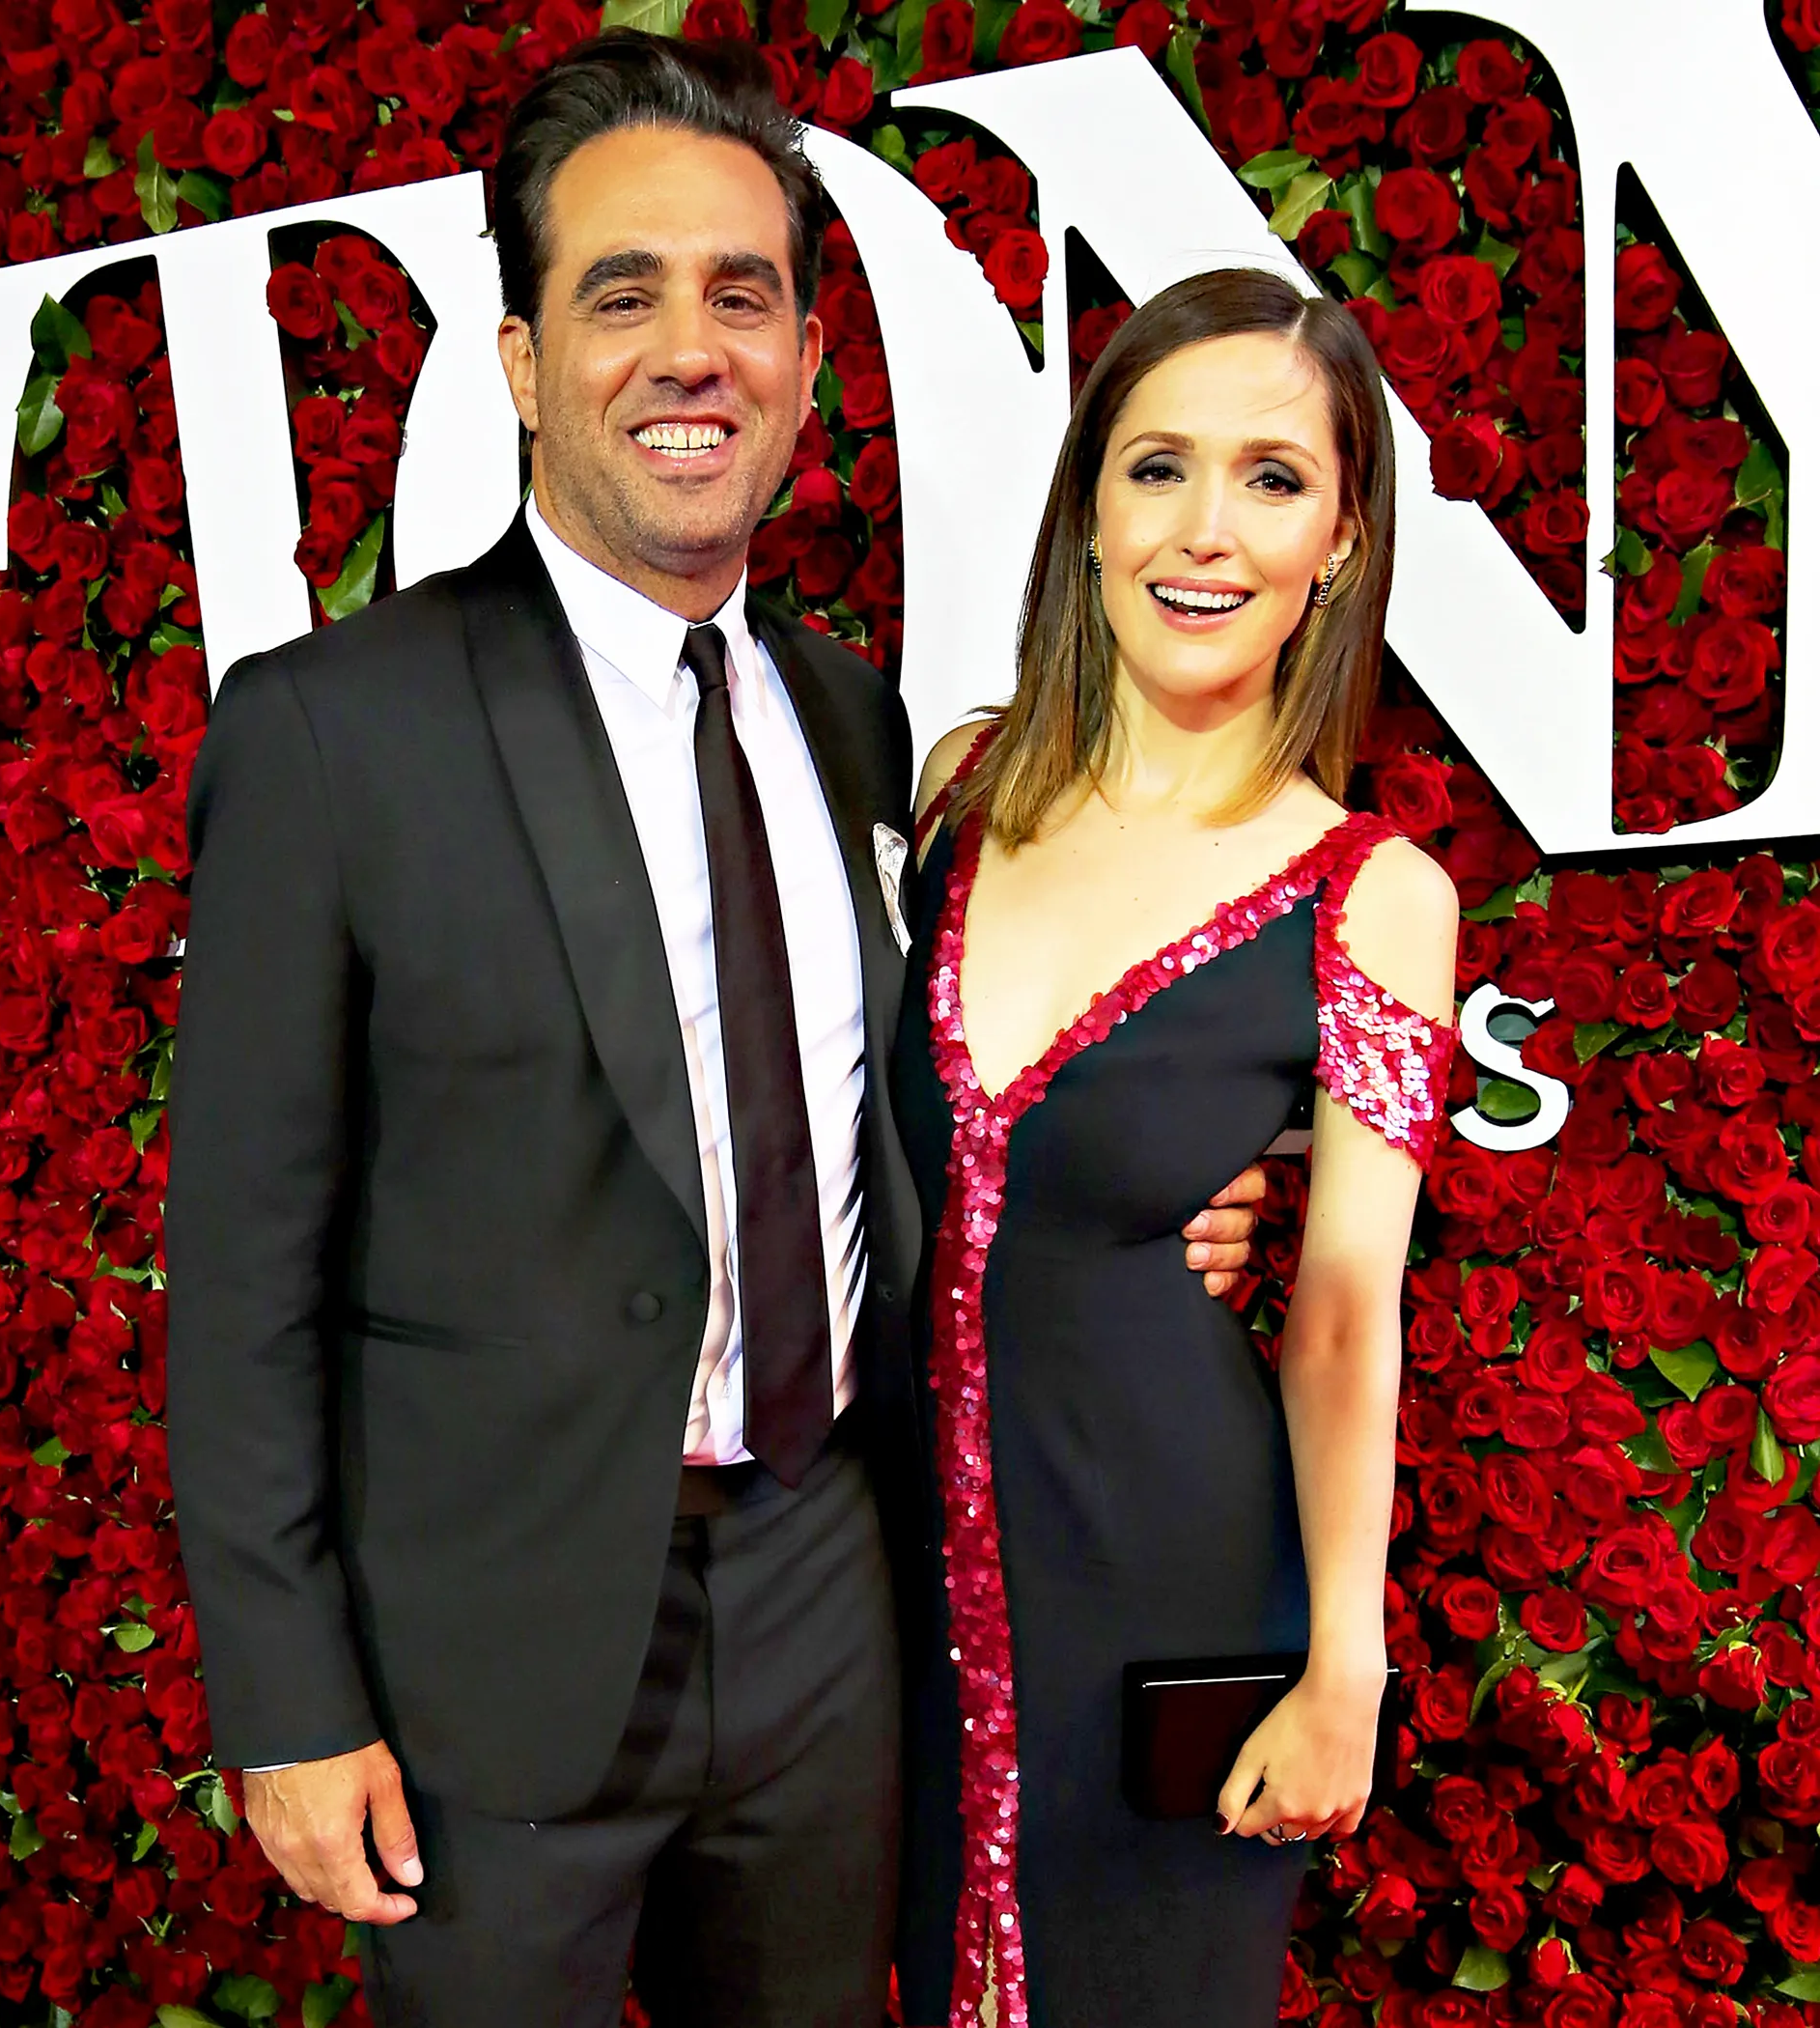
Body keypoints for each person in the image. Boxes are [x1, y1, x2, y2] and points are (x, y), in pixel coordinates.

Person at [163, 33, 1265, 2028]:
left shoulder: (852, 722)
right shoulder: (332, 735)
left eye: (740, 295)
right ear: (517, 363)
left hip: (825, 1598)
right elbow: (238, 1272)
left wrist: (1159, 1209)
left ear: (805, 362)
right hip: (487, 1651)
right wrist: (287, 1702)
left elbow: (930, 1112)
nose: (692, 349)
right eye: (622, 293)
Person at [893, 267, 1461, 2028]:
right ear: (1088, 511)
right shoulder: (960, 795)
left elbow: (1350, 1306)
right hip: (882, 1602)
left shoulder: (1371, 896)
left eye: (1275, 479)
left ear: (1342, 543)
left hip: (1173, 1590)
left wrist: (1343, 1676)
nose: (1207, 530)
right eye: (1159, 467)